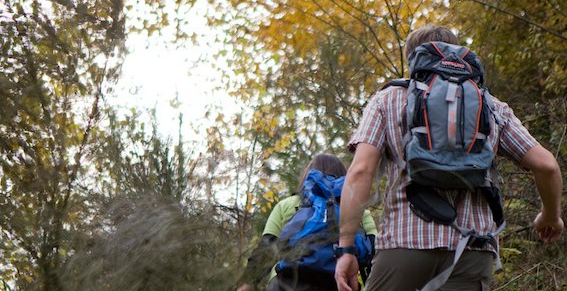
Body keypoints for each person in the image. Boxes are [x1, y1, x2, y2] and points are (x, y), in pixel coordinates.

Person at [334, 25, 564, 291]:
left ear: (412, 59)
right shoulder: (490, 105)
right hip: (471, 250)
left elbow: (361, 171)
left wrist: (346, 248)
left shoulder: (387, 100)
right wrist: (550, 216)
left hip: (404, 243)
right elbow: (546, 166)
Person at [237, 154, 377, 291]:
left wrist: (247, 282)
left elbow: (267, 247)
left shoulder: (287, 205)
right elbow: (374, 252)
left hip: (287, 283)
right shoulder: (358, 210)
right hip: (339, 282)